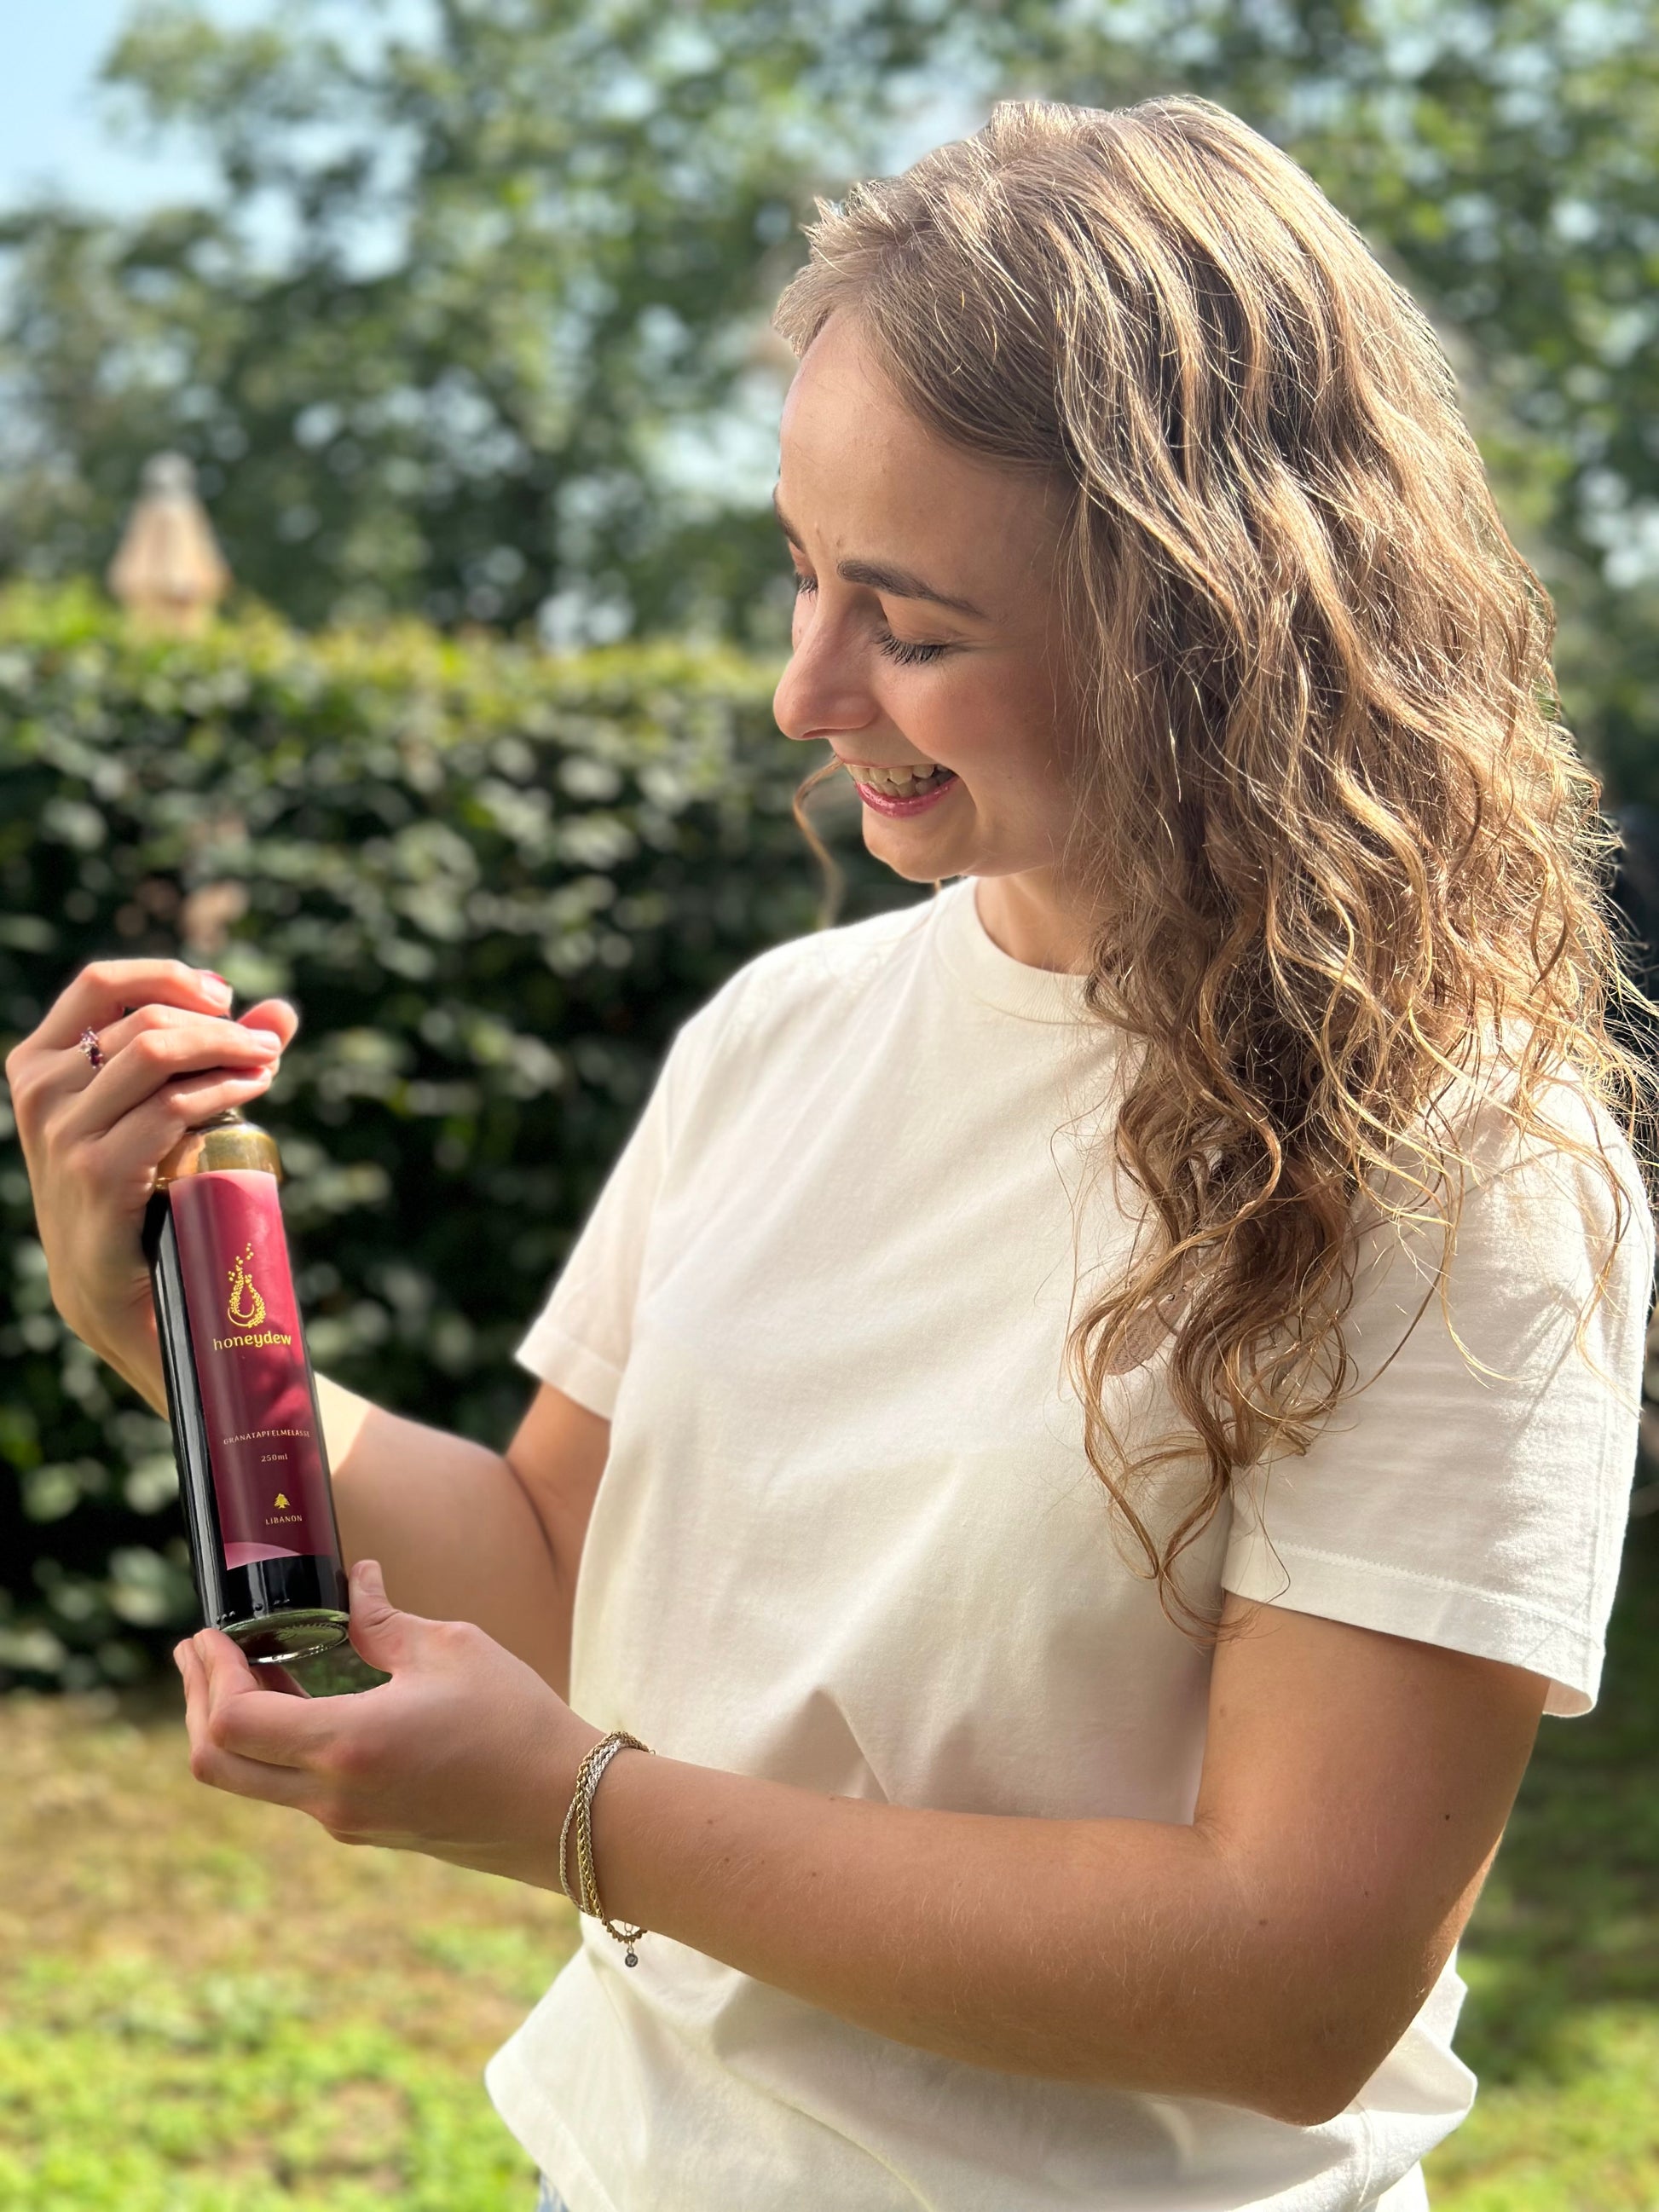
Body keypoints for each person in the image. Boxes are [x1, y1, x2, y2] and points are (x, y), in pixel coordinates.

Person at [8, 96, 1654, 2212]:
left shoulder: (1454, 1154)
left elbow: (1292, 1976)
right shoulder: (782, 1031)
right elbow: (558, 1569)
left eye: (911, 619)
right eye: (798, 571)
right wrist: (163, 1319)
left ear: (1210, 622)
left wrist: (580, 1814)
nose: (801, 690)